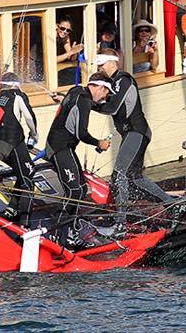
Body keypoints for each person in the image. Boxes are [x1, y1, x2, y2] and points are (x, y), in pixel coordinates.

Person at [96, 53, 174, 227]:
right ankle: (171, 203)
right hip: (131, 134)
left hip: (137, 132)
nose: (99, 68)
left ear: (113, 63)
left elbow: (112, 108)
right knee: (135, 178)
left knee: (119, 174)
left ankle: (121, 221)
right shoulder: (111, 83)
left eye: (101, 64)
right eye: (98, 65)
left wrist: (88, 104)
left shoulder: (123, 80)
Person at [45, 71, 113, 242]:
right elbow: (81, 134)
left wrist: (62, 99)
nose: (105, 97)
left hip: (64, 147)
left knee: (81, 188)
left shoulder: (75, 91)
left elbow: (68, 102)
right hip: (59, 147)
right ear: (99, 87)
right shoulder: (84, 100)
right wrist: (99, 143)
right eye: (106, 92)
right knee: (74, 190)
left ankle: (72, 226)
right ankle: (61, 233)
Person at [0, 73, 39, 225]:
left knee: (24, 172)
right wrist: (34, 134)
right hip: (13, 142)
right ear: (16, 85)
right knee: (28, 179)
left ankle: (12, 208)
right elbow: (29, 117)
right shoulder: (17, 95)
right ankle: (26, 224)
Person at [56, 15, 84, 85]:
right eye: (62, 28)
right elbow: (52, 61)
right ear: (57, 26)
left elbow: (71, 58)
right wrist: (71, 52)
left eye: (68, 30)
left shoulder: (66, 37)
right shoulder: (52, 36)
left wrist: (74, 52)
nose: (65, 32)